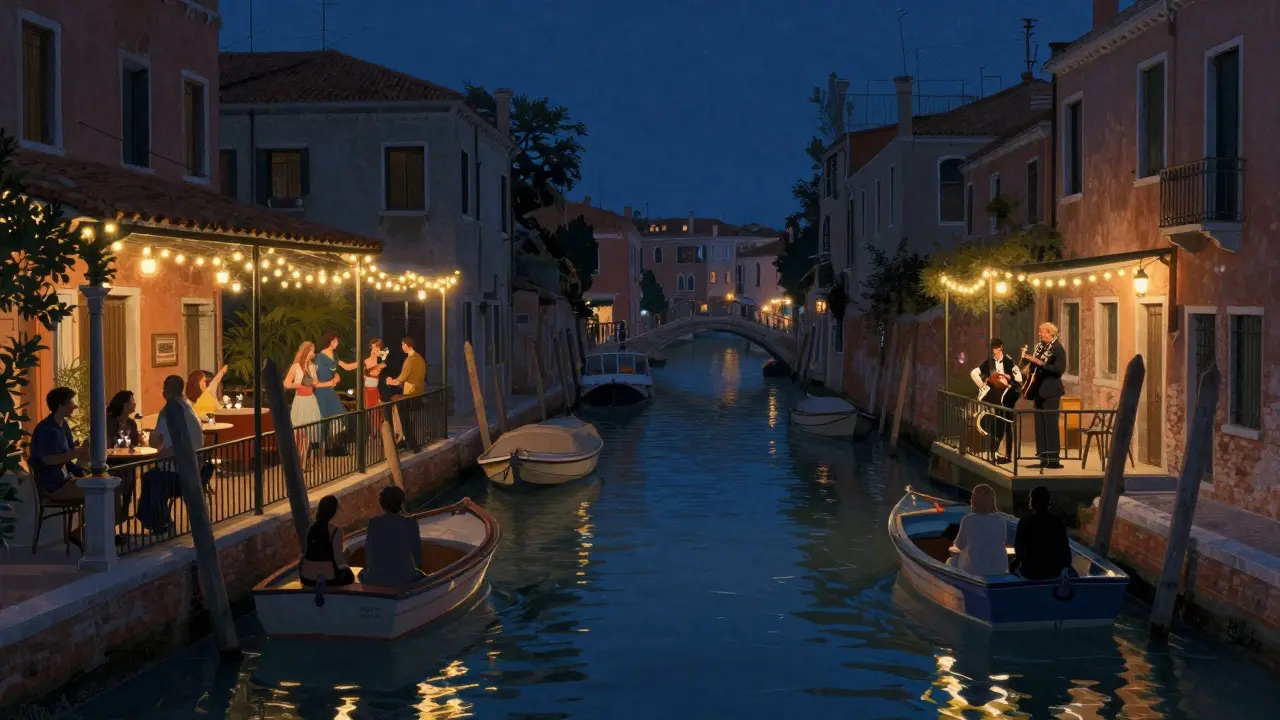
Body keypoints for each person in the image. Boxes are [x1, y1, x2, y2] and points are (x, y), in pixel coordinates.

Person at [137, 375, 214, 534]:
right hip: (194, 469)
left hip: (180, 473)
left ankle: (157, 521)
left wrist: (154, 453)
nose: (162, 391)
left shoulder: (169, 411)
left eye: (164, 388)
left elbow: (156, 443)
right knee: (151, 478)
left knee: (151, 478)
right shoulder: (188, 408)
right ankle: (158, 519)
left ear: (167, 389)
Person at [29, 387, 90, 547]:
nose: (74, 406)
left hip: (66, 481)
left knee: (103, 485)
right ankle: (82, 533)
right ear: (60, 405)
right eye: (71, 402)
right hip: (54, 485)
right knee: (98, 492)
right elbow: (47, 460)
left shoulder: (63, 426)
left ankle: (85, 532)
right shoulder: (46, 429)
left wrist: (84, 472)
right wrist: (77, 453)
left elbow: (70, 460)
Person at [358, 486, 427, 588]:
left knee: (361, 574)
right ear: (401, 502)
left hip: (375, 578)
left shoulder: (373, 523)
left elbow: (369, 554)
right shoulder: (410, 523)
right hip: (404, 578)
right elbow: (418, 556)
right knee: (422, 576)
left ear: (382, 504)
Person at [1021, 322, 1068, 469]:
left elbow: (1059, 369)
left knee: (1050, 425)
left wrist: (1040, 363)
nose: (1040, 335)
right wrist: (1027, 361)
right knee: (1040, 425)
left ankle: (1054, 460)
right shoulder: (1040, 347)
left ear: (1051, 334)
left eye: (1042, 332)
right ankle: (1043, 458)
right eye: (1039, 332)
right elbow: (1035, 365)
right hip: (1039, 391)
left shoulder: (1057, 349)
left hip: (1051, 391)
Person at [970, 338, 1022, 465]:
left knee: (1008, 424)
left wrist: (1009, 377)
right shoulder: (989, 362)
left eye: (996, 348)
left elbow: (1019, 377)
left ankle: (1008, 455)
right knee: (998, 424)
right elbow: (973, 373)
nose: (995, 351)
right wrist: (982, 385)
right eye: (993, 348)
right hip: (995, 396)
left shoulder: (1009, 361)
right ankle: (994, 452)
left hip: (1008, 396)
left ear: (1001, 347)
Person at [948, 484, 1009, 576]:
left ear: (974, 501)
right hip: (999, 569)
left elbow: (960, 545)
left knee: (951, 561)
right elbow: (1003, 540)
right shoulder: (1000, 520)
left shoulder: (968, 519)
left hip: (974, 570)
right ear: (992, 501)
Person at [1013, 486, 1073, 580]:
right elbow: (1064, 549)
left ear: (1032, 502)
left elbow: (1019, 550)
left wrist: (1014, 564)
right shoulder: (1057, 522)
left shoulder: (1025, 522)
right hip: (1053, 571)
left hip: (1030, 571)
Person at [315, 332, 359, 455]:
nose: (338, 343)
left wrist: (362, 362)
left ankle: (334, 445)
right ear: (331, 341)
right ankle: (325, 447)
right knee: (324, 418)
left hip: (329, 391)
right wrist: (333, 380)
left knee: (341, 414)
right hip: (321, 391)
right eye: (336, 340)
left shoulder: (334, 355)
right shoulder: (319, 357)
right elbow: (314, 378)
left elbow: (347, 367)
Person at [299, 495, 355, 586]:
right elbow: (338, 561)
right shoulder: (336, 531)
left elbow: (305, 554)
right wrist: (347, 553)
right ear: (334, 511)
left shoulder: (311, 528)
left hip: (306, 578)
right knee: (349, 575)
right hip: (327, 579)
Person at [106, 390, 143, 523]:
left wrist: (140, 442)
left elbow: (134, 445)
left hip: (127, 463)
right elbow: (107, 446)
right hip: (112, 464)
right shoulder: (109, 421)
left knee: (129, 486)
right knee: (118, 488)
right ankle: (115, 521)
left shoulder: (132, 423)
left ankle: (122, 518)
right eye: (132, 401)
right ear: (124, 404)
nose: (135, 403)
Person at [285, 341, 322, 472]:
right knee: (298, 432)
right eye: (312, 350)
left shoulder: (312, 366)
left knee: (307, 433)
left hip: (310, 400)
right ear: (306, 351)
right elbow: (287, 383)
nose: (314, 352)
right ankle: (296, 462)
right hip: (300, 400)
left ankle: (303, 464)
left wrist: (313, 379)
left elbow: (316, 383)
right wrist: (301, 384)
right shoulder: (295, 367)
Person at [386, 336, 426, 452]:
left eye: (403, 345)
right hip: (417, 392)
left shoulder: (410, 360)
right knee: (403, 417)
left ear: (408, 345)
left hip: (409, 393)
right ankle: (404, 440)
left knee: (403, 418)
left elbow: (401, 379)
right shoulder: (419, 358)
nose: (402, 347)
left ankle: (410, 443)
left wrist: (390, 381)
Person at [363, 338, 388, 436]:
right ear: (371, 347)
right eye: (374, 347)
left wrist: (375, 368)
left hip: (376, 389)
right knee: (370, 412)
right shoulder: (366, 361)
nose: (376, 349)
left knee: (378, 413)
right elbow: (364, 374)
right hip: (367, 389)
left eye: (378, 347)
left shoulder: (381, 360)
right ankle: (373, 433)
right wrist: (375, 368)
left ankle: (379, 433)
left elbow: (376, 372)